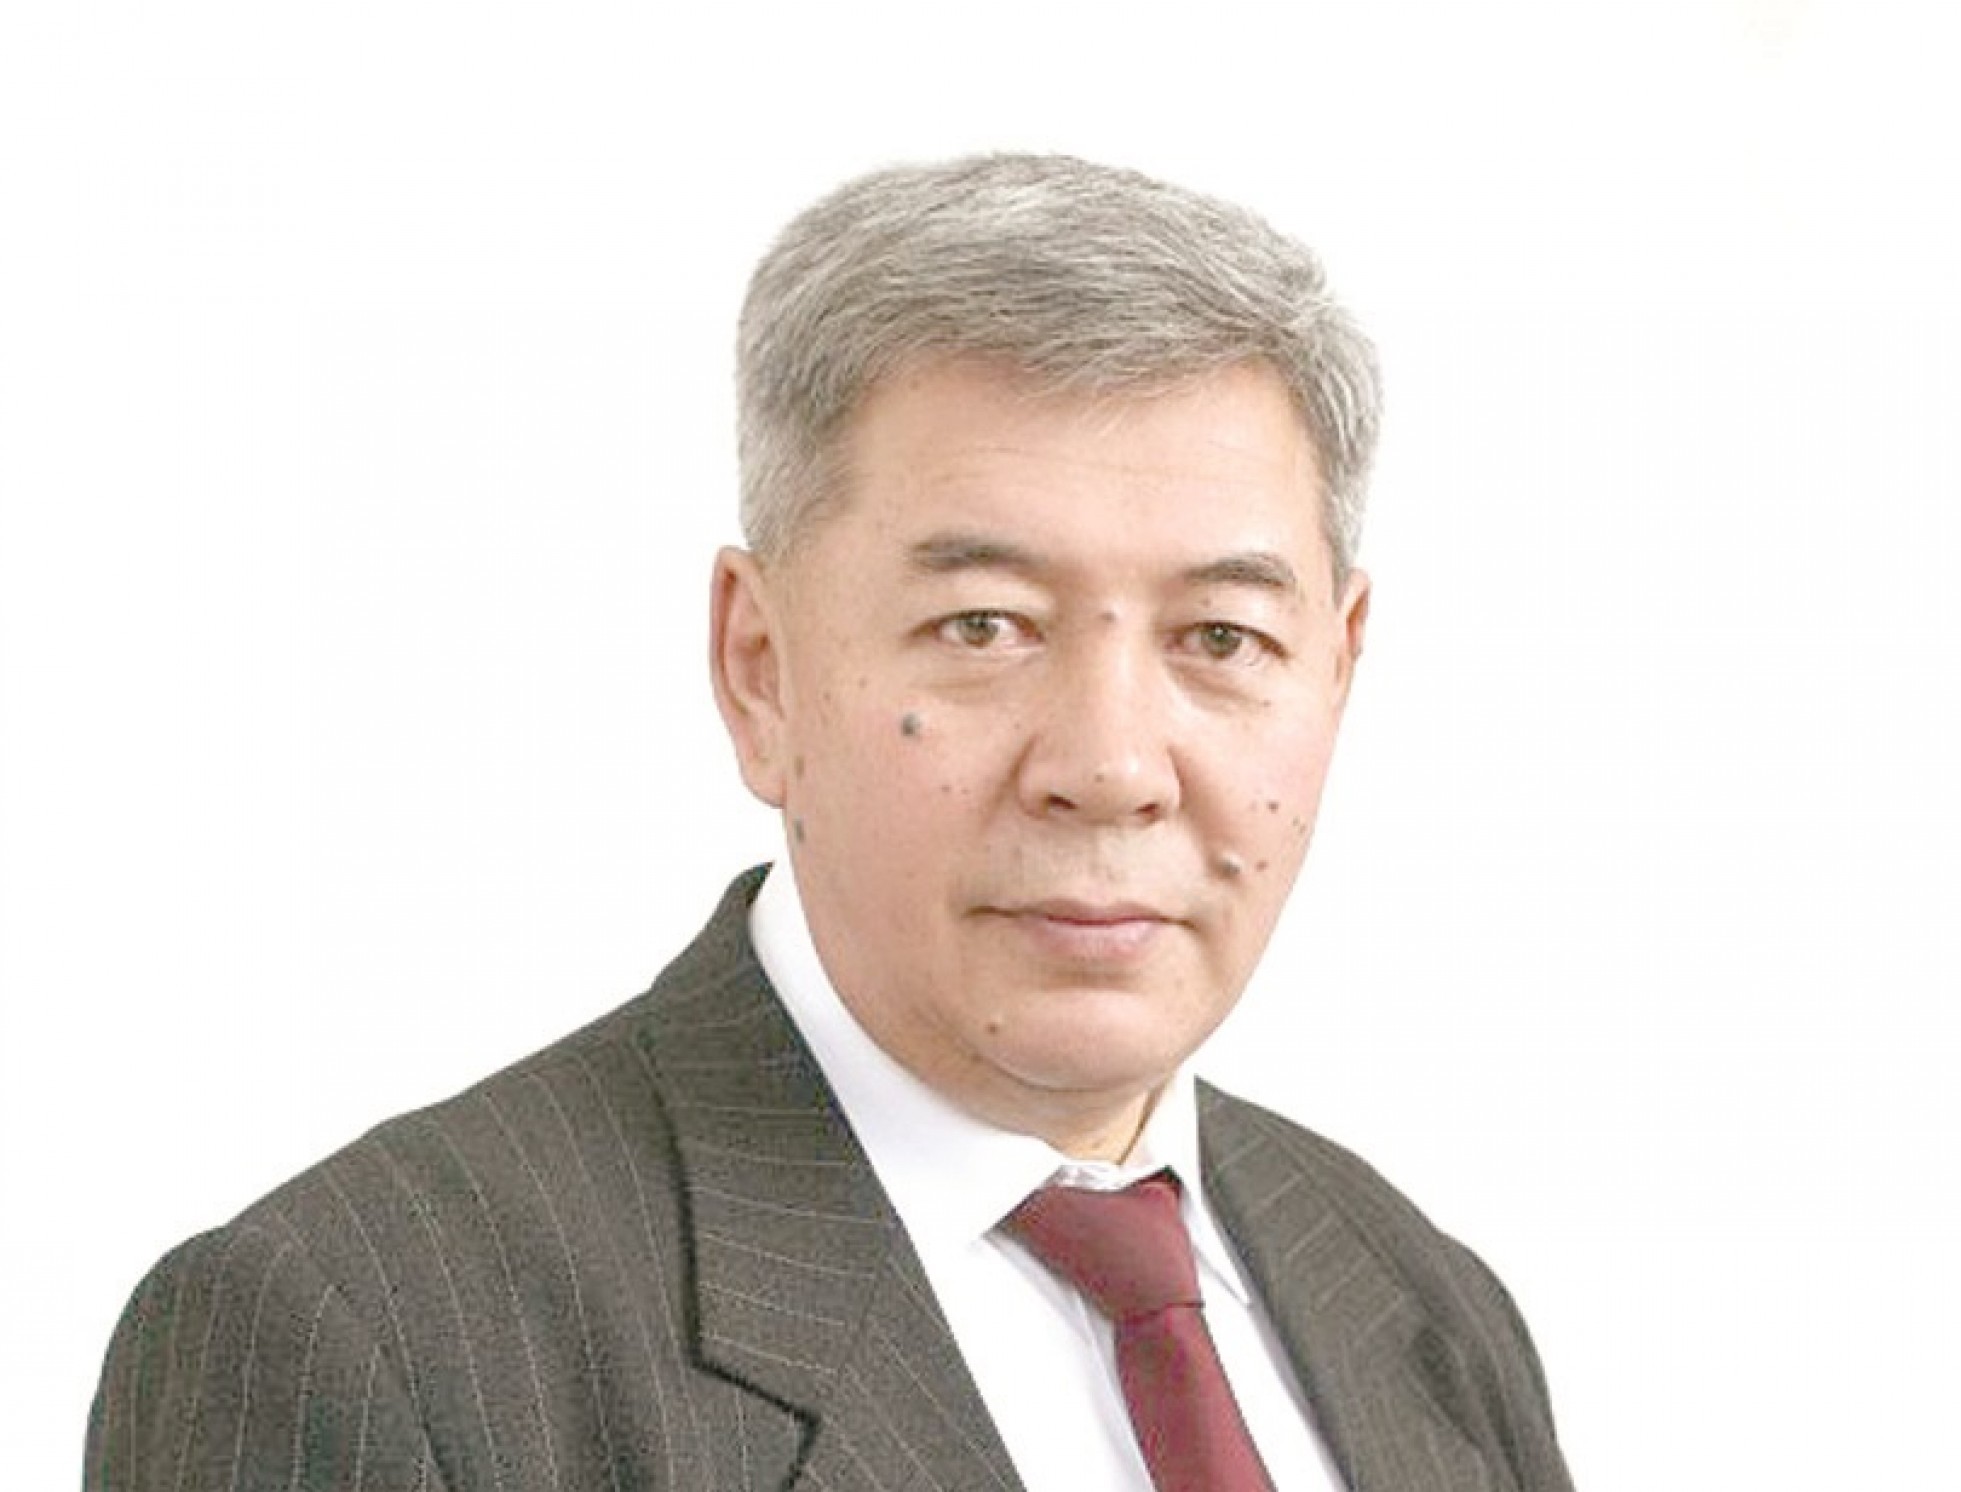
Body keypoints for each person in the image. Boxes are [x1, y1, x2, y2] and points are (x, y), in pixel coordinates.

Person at [85, 154, 1572, 1492]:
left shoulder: (1422, 1306)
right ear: (761, 669)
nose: (1113, 766)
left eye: (1223, 638)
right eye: (984, 624)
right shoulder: (367, 1339)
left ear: (1339, 667)